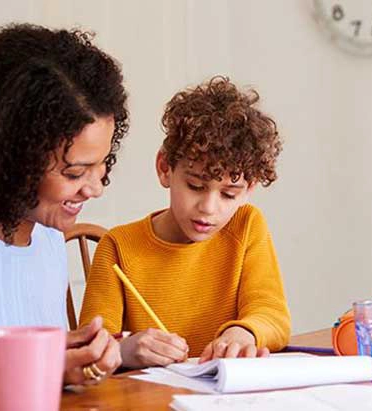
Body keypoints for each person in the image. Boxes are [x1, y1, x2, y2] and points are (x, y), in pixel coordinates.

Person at [0, 23, 130, 404]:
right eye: (74, 172)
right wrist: (33, 374)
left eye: (101, 166)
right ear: (9, 158)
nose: (95, 188)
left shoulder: (48, 240)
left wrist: (67, 356)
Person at [79, 75, 291, 369]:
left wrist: (244, 332)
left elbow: (273, 315)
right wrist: (126, 350)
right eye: (195, 186)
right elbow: (89, 347)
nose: (208, 208)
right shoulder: (118, 246)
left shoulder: (247, 225)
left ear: (249, 188)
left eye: (229, 194)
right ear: (165, 169)